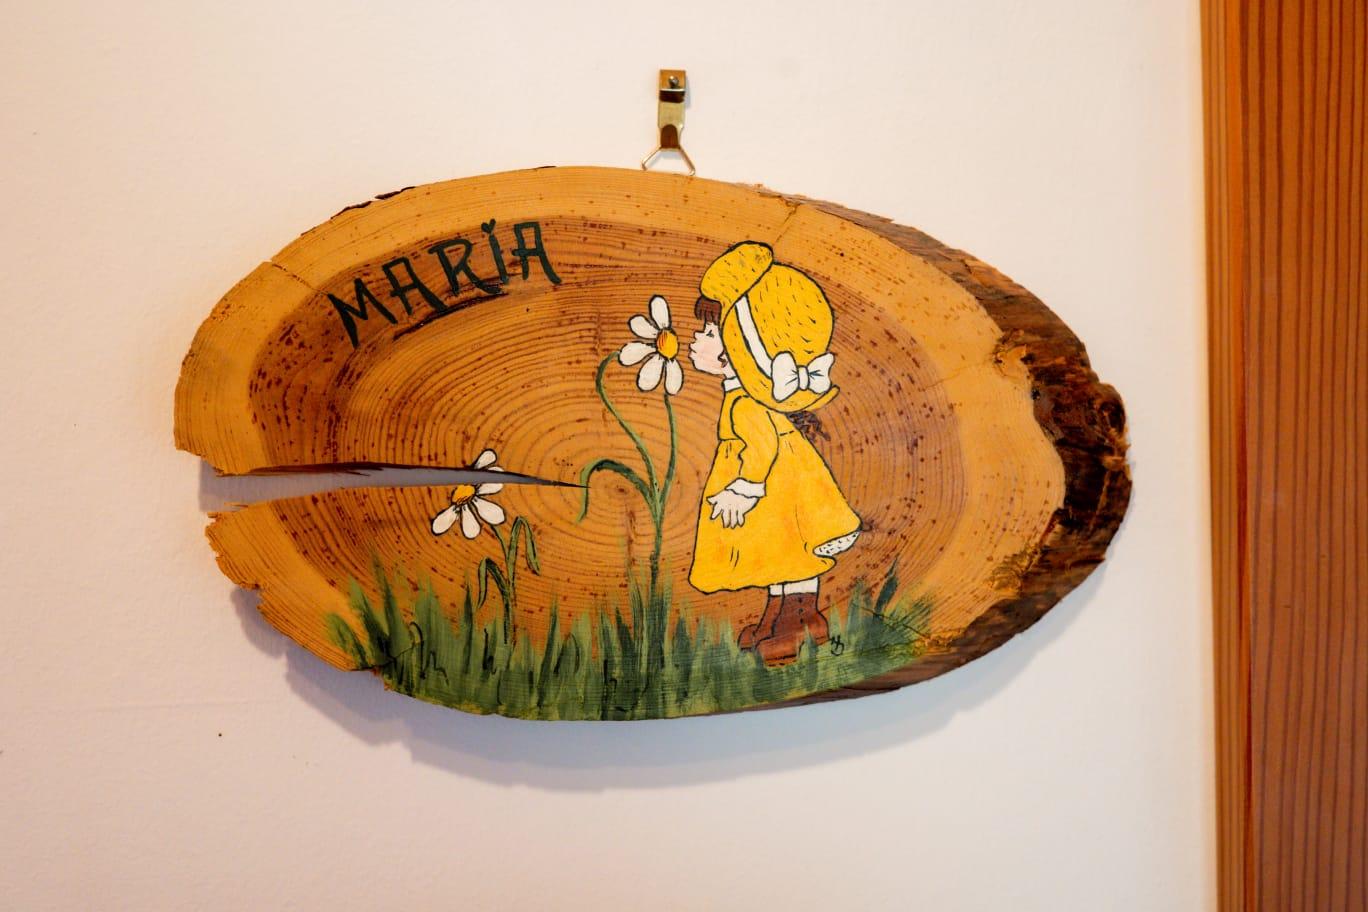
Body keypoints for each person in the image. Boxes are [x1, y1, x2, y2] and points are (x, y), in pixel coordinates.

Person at [686, 242, 862, 666]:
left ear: (736, 349)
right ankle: (780, 618)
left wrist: (744, 490)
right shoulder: (743, 397)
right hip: (781, 483)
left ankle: (797, 621)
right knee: (782, 555)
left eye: (708, 333)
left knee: (790, 552)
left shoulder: (746, 404)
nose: (695, 338)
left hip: (776, 488)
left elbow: (762, 447)